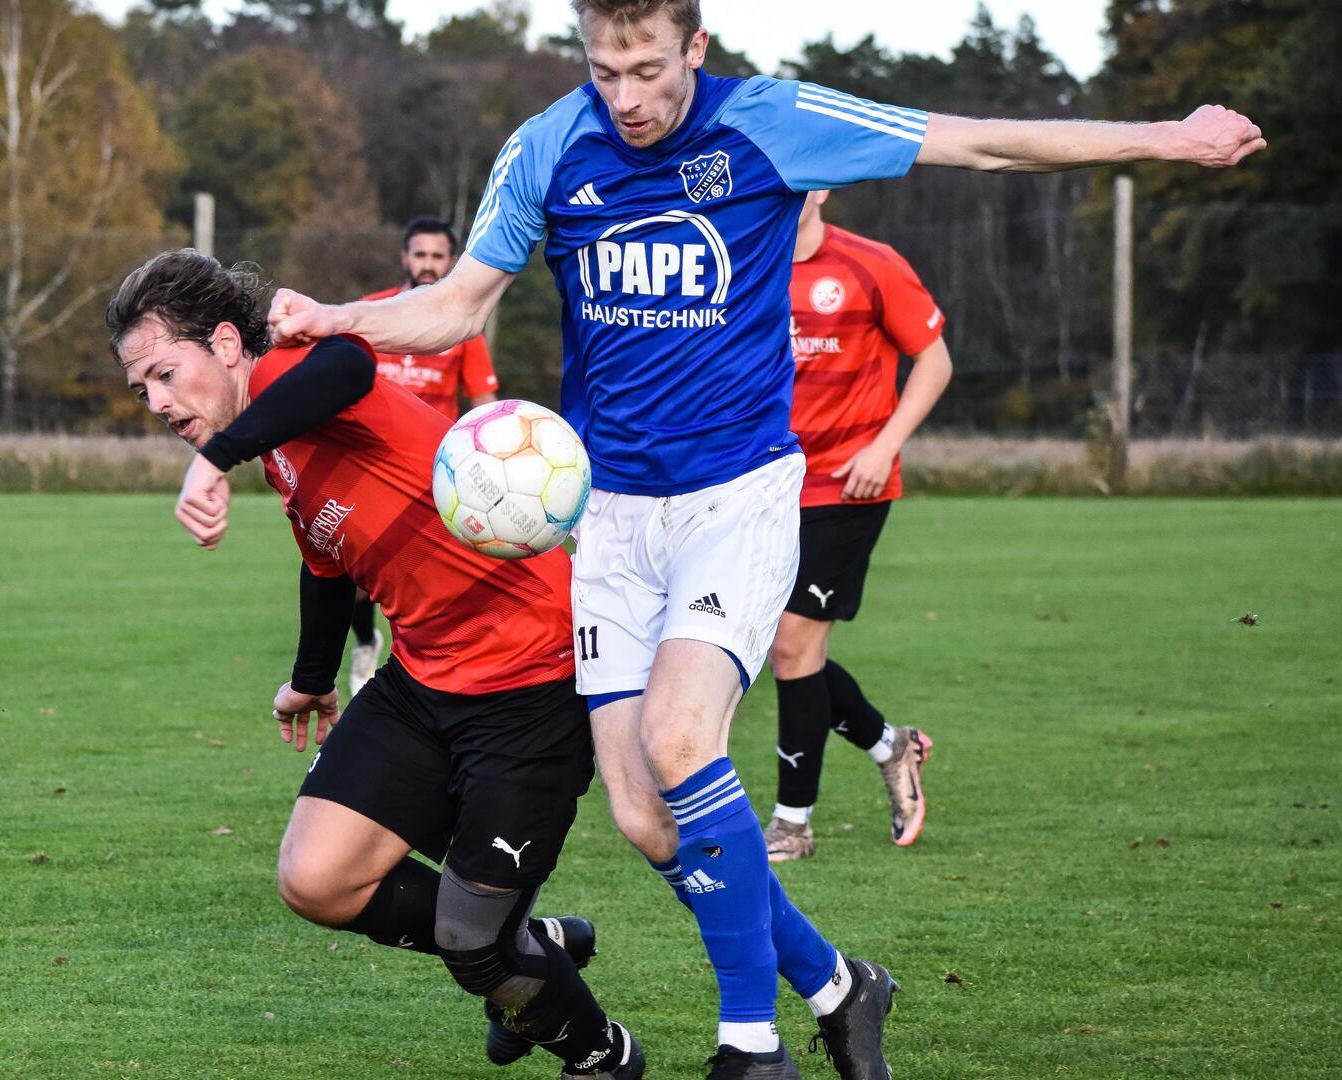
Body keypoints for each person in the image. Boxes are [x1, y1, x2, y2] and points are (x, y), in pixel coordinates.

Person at [264, 1, 1264, 1074]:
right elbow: (460, 304)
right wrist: (340, 316)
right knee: (649, 822)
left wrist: (1162, 138)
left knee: (685, 739)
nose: (629, 97)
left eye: (649, 69)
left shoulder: (772, 121)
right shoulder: (549, 144)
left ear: (695, 48)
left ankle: (752, 1044)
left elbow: (973, 141)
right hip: (608, 519)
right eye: (606, 71)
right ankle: (841, 985)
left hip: (736, 498)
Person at [111, 249, 643, 1079]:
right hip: (424, 680)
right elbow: (325, 562)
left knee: (475, 943)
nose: (156, 402)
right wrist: (313, 678)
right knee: (316, 878)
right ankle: (527, 948)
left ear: (223, 343)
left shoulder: (293, 373)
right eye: (141, 389)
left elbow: (350, 362)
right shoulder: (277, 448)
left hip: (530, 677)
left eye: (165, 373)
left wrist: (215, 459)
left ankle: (602, 1054)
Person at [765, 191, 951, 862]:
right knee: (786, 651)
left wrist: (883, 447)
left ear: (820, 187)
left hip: (848, 486)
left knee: (791, 647)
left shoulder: (872, 264)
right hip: (764, 487)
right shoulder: (741, 263)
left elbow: (935, 360)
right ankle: (891, 746)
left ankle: (792, 825)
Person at [346, 217, 503, 696]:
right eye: (420, 255)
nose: (428, 265)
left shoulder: (461, 329)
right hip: (367, 470)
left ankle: (416, 675)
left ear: (451, 262)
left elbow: (484, 404)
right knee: (353, 580)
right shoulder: (370, 313)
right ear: (405, 258)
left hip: (435, 476)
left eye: (438, 256)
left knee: (428, 580)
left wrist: (496, 456)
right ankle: (367, 640)